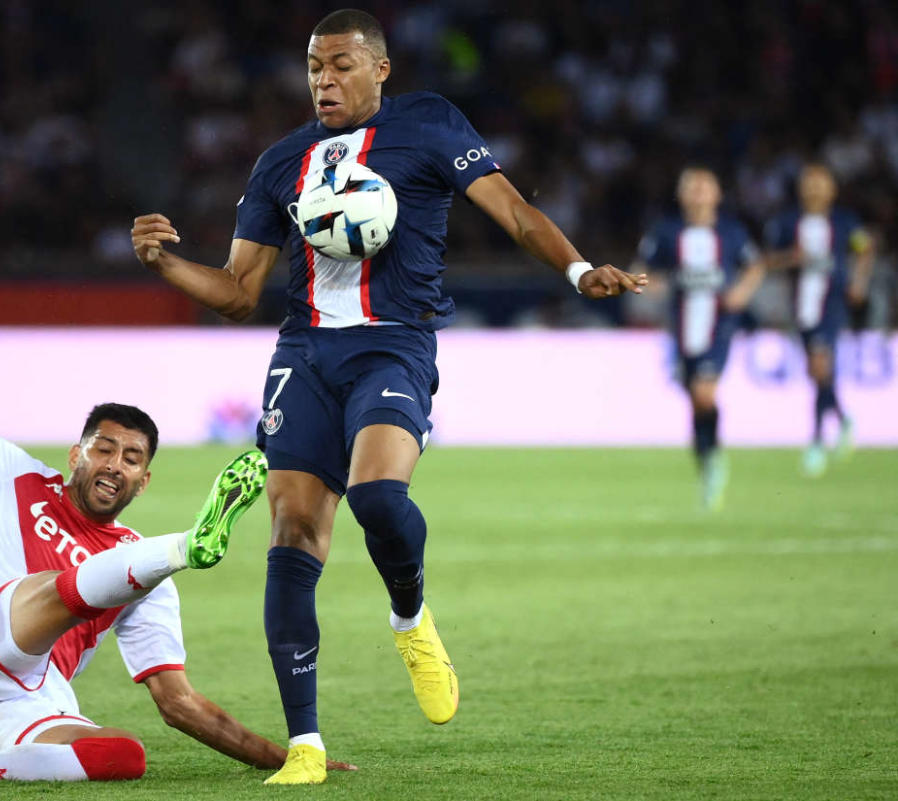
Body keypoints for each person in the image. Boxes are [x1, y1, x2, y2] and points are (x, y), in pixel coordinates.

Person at [131, 9, 646, 785]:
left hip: (394, 343)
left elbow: (510, 208)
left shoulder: (431, 124)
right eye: (313, 69)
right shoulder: (280, 162)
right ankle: (304, 745)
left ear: (380, 68)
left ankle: (409, 614)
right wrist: (167, 263)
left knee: (376, 494)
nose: (323, 81)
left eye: (339, 65)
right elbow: (238, 293)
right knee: (293, 527)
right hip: (305, 353)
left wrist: (579, 270)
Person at [0, 212, 353, 784]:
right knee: (59, 589)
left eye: (132, 459)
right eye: (104, 450)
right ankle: (187, 545)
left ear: (144, 482)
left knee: (121, 758)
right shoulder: (9, 473)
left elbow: (177, 703)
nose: (115, 466)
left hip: (22, 708)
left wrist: (291, 757)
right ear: (75, 455)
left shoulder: (140, 576)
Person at [634, 167, 766, 510]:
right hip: (681, 328)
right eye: (690, 187)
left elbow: (755, 265)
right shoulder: (666, 232)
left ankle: (714, 457)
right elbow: (643, 271)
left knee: (705, 392)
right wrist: (653, 286)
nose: (697, 193)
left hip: (719, 324)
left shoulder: (731, 232)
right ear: (680, 195)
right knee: (695, 399)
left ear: (717, 194)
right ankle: (707, 459)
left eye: (704, 187)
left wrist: (741, 293)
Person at [764, 164, 874, 476]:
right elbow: (767, 260)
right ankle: (841, 418)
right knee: (818, 373)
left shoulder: (844, 221)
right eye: (809, 184)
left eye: (820, 184)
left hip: (832, 304)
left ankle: (815, 442)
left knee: (820, 366)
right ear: (801, 189)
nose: (814, 189)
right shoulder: (787, 222)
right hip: (802, 307)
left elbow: (865, 248)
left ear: (832, 189)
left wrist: (859, 281)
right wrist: (791, 258)